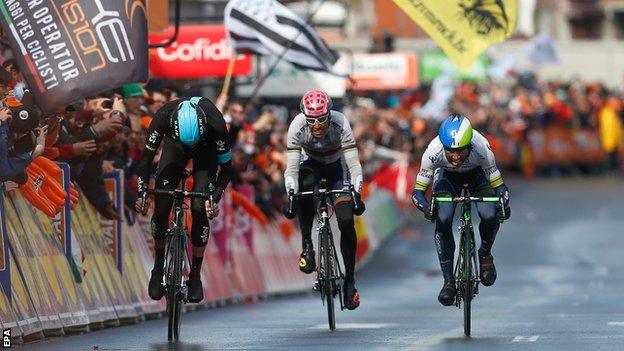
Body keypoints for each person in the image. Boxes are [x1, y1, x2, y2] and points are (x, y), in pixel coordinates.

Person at [134, 96, 233, 303]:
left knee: (199, 206)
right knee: (161, 205)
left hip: (206, 151)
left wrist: (215, 197)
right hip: (174, 146)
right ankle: (158, 266)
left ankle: (195, 276)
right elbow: (144, 162)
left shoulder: (215, 122)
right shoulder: (163, 116)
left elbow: (226, 170)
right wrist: (143, 193)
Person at [411, 115, 510, 306]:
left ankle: (485, 254)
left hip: (478, 176)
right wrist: (425, 208)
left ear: (469, 147)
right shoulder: (433, 151)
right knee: (444, 218)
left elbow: (498, 185)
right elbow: (417, 192)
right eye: (450, 152)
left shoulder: (481, 147)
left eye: (460, 151)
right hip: (447, 178)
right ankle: (448, 281)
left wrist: (504, 202)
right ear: (443, 147)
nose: (456, 157)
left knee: (489, 213)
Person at [283, 89, 366, 310]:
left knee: (347, 220)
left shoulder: (341, 123)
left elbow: (354, 165)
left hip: (338, 169)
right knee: (304, 187)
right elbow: (291, 169)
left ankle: (350, 281)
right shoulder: (297, 126)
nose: (317, 124)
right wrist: (291, 194)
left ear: (329, 113)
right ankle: (307, 246)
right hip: (312, 165)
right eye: (312, 120)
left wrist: (357, 193)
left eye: (322, 119)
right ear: (305, 117)